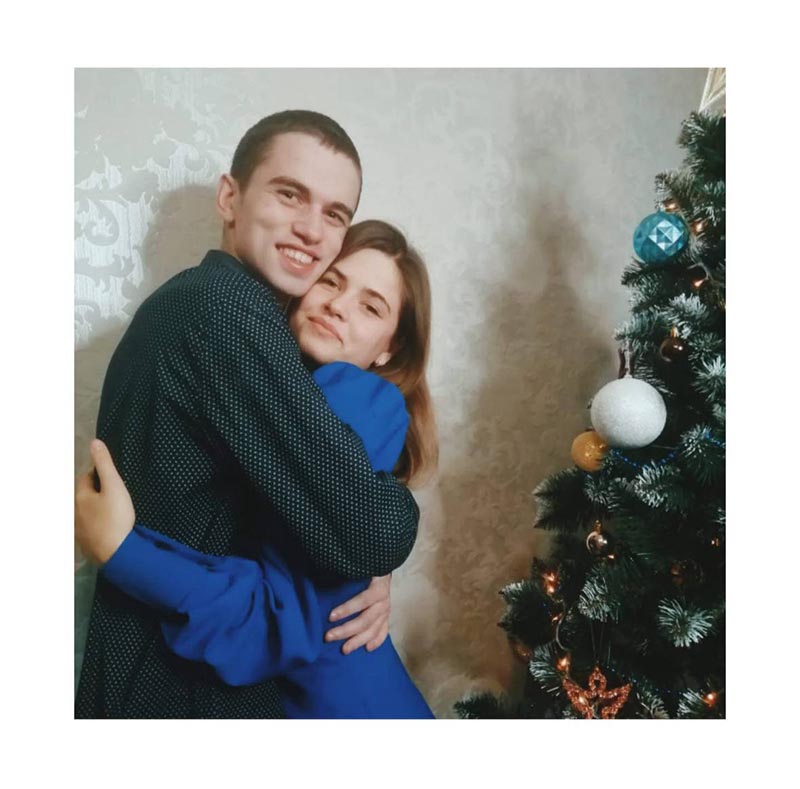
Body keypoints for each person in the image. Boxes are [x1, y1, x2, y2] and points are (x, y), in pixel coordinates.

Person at [75, 111, 420, 718]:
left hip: (177, 661)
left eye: (335, 214)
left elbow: (345, 536)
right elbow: (370, 534)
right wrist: (379, 529)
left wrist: (367, 557)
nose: (311, 229)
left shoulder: (212, 308)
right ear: (229, 197)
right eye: (290, 194)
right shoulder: (226, 313)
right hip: (175, 681)